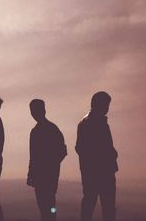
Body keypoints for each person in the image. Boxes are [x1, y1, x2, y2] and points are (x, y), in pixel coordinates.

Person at [76, 91, 118, 221]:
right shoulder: (98, 122)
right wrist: (112, 154)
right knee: (107, 206)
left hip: (89, 172)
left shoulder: (84, 123)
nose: (107, 108)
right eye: (106, 104)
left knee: (89, 203)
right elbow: (101, 148)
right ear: (99, 104)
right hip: (104, 172)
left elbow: (80, 148)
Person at [27, 99, 67, 221]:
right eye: (32, 111)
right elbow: (33, 156)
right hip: (42, 176)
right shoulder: (40, 130)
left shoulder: (48, 129)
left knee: (47, 206)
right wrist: (31, 173)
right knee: (45, 207)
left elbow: (62, 151)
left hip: (47, 176)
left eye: (35, 110)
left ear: (43, 110)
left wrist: (51, 165)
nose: (33, 113)